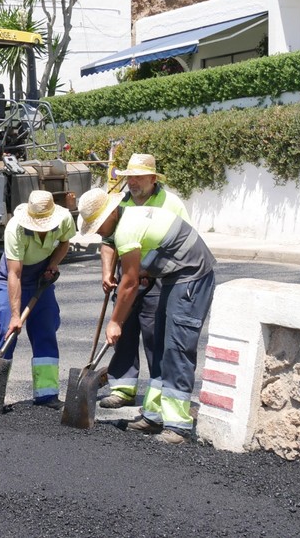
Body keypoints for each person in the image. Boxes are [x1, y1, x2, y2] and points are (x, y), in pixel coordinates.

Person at [78, 188, 216, 445]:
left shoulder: (126, 228)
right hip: (175, 275)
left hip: (191, 279)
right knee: (163, 346)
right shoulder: (129, 219)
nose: (97, 231)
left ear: (110, 214)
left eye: (97, 225)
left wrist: (115, 322)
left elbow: (129, 284)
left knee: (176, 349)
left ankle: (178, 426)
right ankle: (154, 415)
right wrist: (146, 270)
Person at [97, 154, 191, 409]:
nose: (133, 183)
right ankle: (123, 388)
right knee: (123, 332)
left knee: (154, 337)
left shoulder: (170, 203)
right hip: (128, 275)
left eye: (138, 177)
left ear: (152, 178)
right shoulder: (122, 203)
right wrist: (107, 273)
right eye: (130, 178)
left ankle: (157, 397)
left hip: (157, 279)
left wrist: (150, 270)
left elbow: (183, 241)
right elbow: (107, 242)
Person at [0, 190, 75, 408]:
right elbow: (14, 274)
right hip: (14, 279)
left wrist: (53, 264)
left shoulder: (64, 219)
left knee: (46, 331)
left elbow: (64, 243)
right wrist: (16, 316)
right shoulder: (15, 229)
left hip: (41, 280)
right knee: (6, 331)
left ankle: (47, 395)